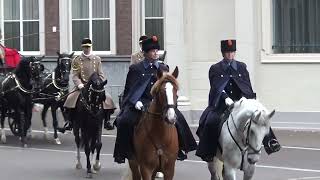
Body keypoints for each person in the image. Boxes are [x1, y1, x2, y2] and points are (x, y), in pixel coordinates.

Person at [113, 36, 197, 164]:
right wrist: (136, 102)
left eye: (157, 50)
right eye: (153, 51)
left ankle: (180, 148)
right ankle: (124, 152)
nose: (156, 53)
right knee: (124, 121)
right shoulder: (136, 69)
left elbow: (169, 88)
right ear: (146, 53)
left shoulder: (164, 68)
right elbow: (129, 89)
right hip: (141, 103)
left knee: (179, 119)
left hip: (160, 103)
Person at [196, 39, 281, 162]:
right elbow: (216, 87)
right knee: (210, 121)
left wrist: (247, 100)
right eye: (227, 52)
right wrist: (226, 99)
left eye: (232, 52)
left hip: (241, 103)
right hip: (223, 104)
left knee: (261, 116)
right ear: (223, 53)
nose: (230, 55)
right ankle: (209, 151)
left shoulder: (241, 67)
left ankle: (270, 141)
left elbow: (246, 85)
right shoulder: (215, 68)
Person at [63, 38, 116, 130]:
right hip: (82, 86)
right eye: (84, 47)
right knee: (70, 99)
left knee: (108, 98)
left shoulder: (97, 59)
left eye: (88, 47)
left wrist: (99, 83)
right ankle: (70, 122)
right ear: (82, 47)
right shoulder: (76, 60)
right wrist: (79, 84)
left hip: (95, 86)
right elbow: (75, 75)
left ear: (90, 47)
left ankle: (107, 121)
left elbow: (101, 74)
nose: (86, 49)